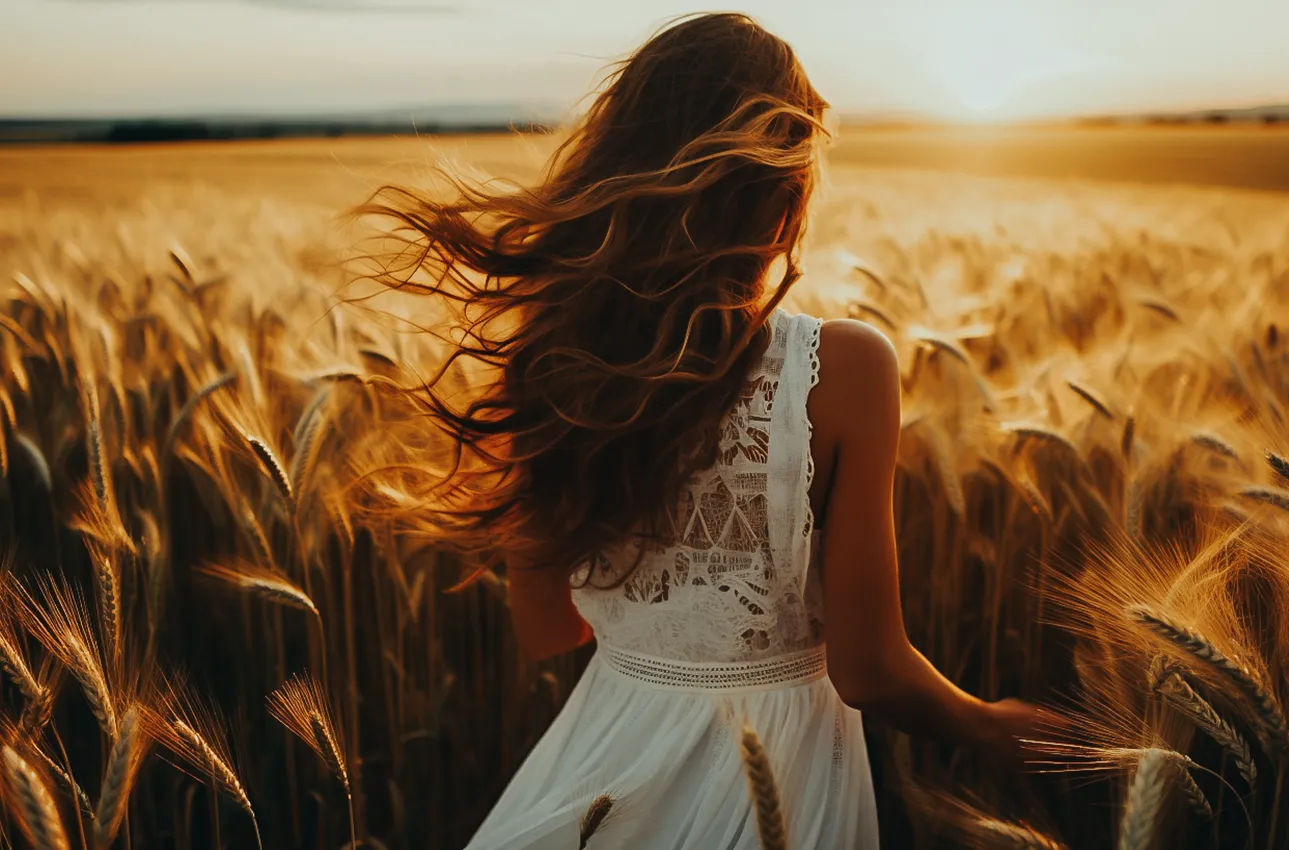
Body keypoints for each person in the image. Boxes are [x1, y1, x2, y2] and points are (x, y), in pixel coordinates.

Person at [365, 12, 1042, 849]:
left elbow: (550, 631)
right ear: (784, 186)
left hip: (601, 765)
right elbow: (868, 668)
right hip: (785, 779)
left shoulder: (551, 364)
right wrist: (987, 725)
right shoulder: (846, 370)